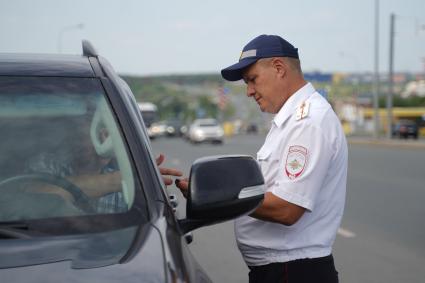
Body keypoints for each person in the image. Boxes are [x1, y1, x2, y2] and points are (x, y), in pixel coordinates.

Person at [177, 34, 348, 282]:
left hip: (293, 271)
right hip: (282, 269)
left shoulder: (308, 122)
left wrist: (216, 195)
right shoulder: (289, 121)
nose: (249, 91)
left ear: (279, 68)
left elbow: (286, 209)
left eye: (252, 80)